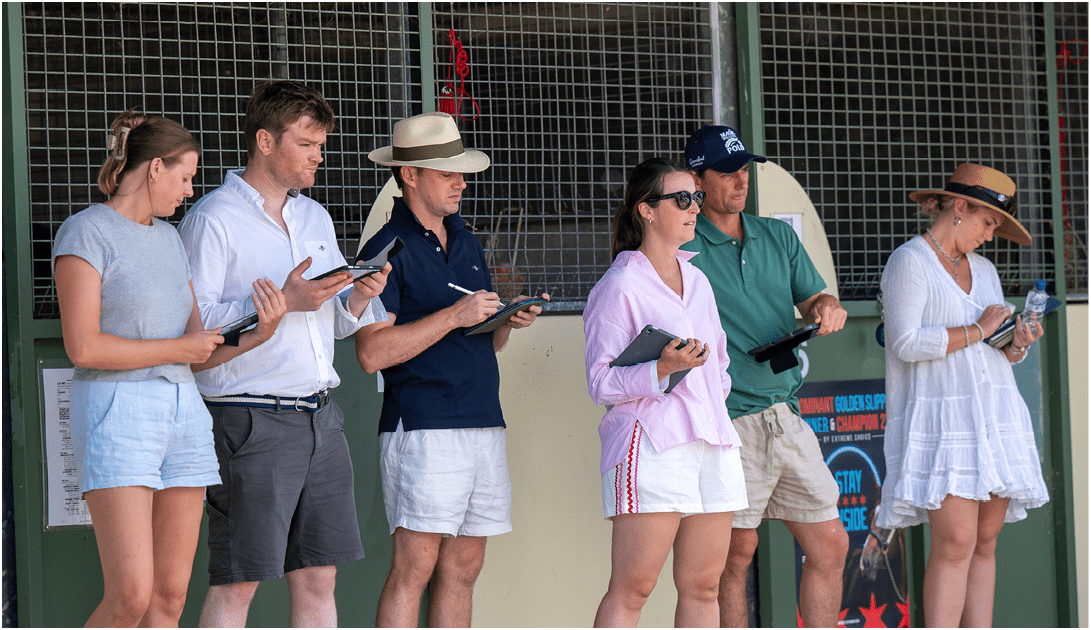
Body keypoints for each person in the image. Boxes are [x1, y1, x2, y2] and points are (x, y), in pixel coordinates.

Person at [53, 111, 287, 626]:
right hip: (118, 411)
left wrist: (257, 336)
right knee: (131, 596)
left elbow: (196, 348)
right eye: (184, 178)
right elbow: (84, 348)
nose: (188, 192)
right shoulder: (86, 231)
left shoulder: (169, 239)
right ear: (155, 168)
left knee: (169, 598)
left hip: (184, 413)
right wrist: (178, 349)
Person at [178, 80, 391, 627]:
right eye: (307, 143)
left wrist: (358, 297)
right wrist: (281, 306)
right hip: (248, 417)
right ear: (265, 142)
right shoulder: (212, 218)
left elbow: (336, 322)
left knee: (321, 577)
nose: (320, 155)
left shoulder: (313, 216)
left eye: (322, 144)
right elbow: (192, 331)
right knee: (238, 579)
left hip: (321, 415)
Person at [355, 112, 546, 628]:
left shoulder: (467, 240)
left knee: (465, 566)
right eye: (447, 172)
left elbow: (479, 340)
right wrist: (455, 315)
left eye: (462, 170)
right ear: (409, 175)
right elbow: (371, 353)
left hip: (483, 419)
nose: (462, 181)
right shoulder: (384, 250)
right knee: (414, 567)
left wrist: (505, 319)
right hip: (423, 426)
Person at [679, 125, 850, 628]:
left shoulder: (777, 235)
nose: (739, 181)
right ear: (696, 179)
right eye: (726, 172)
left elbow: (814, 299)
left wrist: (828, 307)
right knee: (734, 555)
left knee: (831, 544)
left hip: (785, 414)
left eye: (743, 170)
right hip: (728, 421)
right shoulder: (683, 245)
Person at [876, 163, 1049, 627]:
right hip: (944, 419)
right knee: (954, 545)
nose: (990, 235)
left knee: (985, 543)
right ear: (959, 207)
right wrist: (979, 328)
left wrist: (1015, 342)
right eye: (988, 222)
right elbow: (905, 342)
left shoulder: (985, 269)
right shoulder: (909, 261)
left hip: (994, 413)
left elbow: (994, 350)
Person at [583, 158, 748, 627]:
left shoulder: (697, 279)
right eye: (681, 199)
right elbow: (600, 382)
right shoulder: (619, 285)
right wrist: (661, 367)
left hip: (712, 442)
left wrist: (711, 394)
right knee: (634, 589)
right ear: (646, 211)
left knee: (704, 587)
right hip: (652, 443)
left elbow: (719, 363)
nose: (694, 208)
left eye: (696, 198)